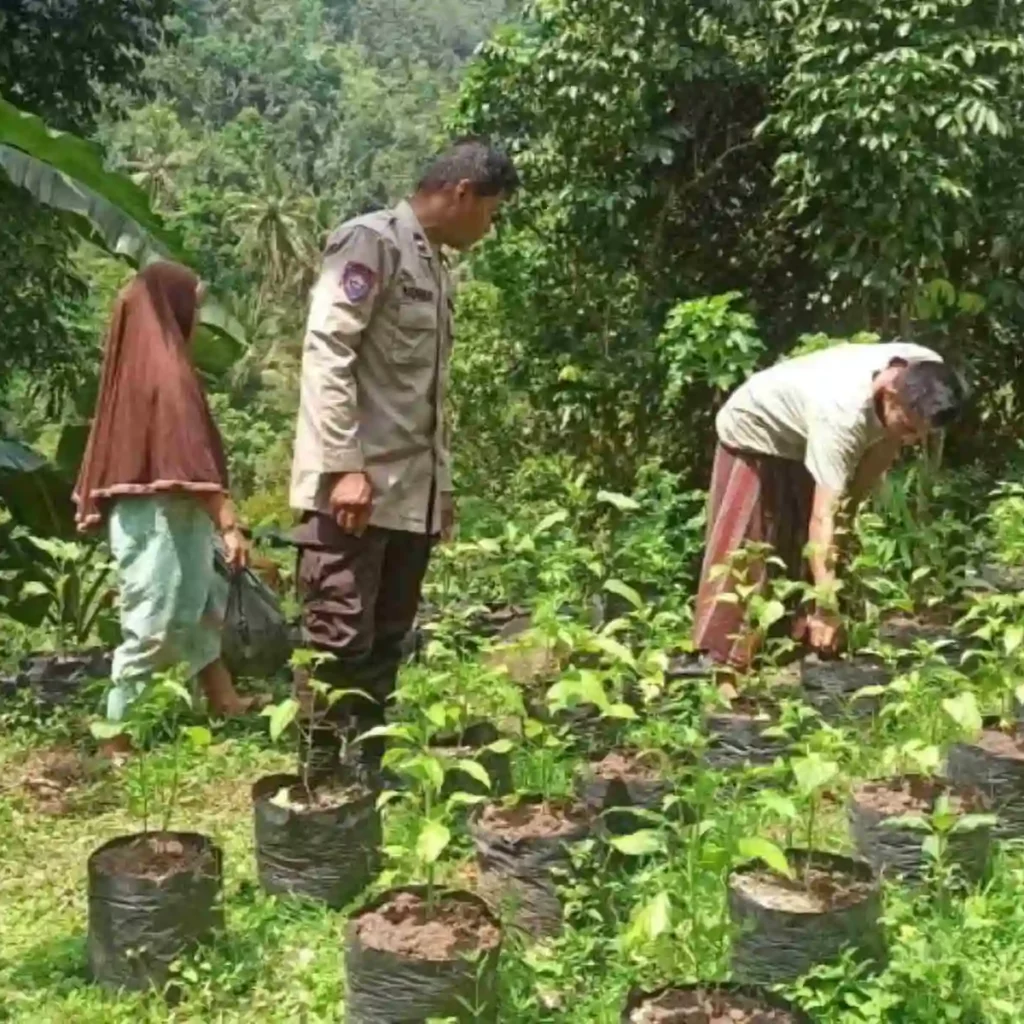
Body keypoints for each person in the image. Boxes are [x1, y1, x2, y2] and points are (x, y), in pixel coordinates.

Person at [290, 137, 519, 771]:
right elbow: (327, 352)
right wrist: (344, 467)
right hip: (354, 492)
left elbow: (424, 396)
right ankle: (319, 781)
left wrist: (439, 490)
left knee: (388, 640)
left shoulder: (434, 265)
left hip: (406, 496)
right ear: (462, 194)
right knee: (338, 637)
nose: (489, 227)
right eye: (491, 212)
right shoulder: (373, 243)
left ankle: (366, 771)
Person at [687, 341, 965, 674]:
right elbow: (823, 519)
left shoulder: (926, 369)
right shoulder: (840, 414)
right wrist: (826, 607)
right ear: (890, 393)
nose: (912, 440)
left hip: (806, 433)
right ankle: (720, 666)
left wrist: (850, 514)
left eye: (920, 434)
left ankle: (792, 656)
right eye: (907, 428)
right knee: (752, 553)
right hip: (756, 430)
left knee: (824, 548)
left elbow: (872, 464)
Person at [74, 261, 255, 755]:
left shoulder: (138, 372)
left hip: (164, 512)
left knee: (201, 607)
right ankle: (119, 737)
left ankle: (222, 697)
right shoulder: (167, 376)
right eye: (192, 307)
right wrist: (230, 522)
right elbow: (187, 456)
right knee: (154, 623)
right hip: (159, 517)